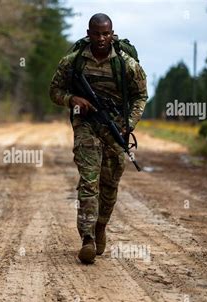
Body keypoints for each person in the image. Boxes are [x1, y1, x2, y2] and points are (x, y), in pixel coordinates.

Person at [49, 13, 148, 264]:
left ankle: (100, 225)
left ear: (112, 34)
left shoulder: (126, 64)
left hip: (115, 126)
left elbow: (140, 96)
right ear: (88, 33)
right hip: (86, 126)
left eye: (106, 34)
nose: (102, 38)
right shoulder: (73, 62)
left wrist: (128, 124)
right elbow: (54, 91)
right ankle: (87, 239)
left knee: (109, 183)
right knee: (88, 181)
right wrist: (72, 100)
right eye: (96, 33)